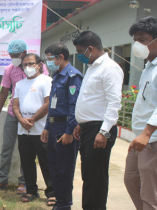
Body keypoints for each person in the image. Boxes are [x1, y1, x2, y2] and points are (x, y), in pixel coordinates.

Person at [72, 31, 123, 210]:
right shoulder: (93, 67)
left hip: (99, 129)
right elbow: (92, 100)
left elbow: (114, 102)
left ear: (90, 49)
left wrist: (104, 131)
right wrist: (81, 123)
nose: (79, 55)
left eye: (80, 51)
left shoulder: (110, 68)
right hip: (88, 128)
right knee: (88, 175)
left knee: (97, 177)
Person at [42, 44, 83, 210]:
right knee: (54, 166)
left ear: (60, 57)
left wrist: (69, 131)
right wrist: (46, 126)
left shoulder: (73, 76)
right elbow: (53, 105)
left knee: (65, 169)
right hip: (53, 126)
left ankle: (65, 204)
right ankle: (59, 201)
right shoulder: (57, 76)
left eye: (50, 58)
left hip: (65, 127)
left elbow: (75, 106)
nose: (48, 62)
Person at [125, 16, 157, 210]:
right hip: (140, 138)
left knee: (150, 192)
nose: (138, 44)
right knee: (131, 180)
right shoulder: (149, 66)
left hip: (151, 139)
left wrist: (146, 133)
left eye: (143, 39)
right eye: (135, 40)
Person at [0, 39, 27, 194]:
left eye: (16, 55)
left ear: (24, 53)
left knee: (26, 149)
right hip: (12, 113)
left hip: (31, 115)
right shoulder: (10, 69)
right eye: (11, 55)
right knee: (7, 147)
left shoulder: (39, 68)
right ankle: (2, 180)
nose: (13, 58)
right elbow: (4, 91)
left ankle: (24, 182)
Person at [12, 53, 53, 202]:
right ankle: (31, 190)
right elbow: (15, 105)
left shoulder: (46, 81)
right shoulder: (20, 84)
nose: (28, 67)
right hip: (23, 131)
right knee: (27, 162)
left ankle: (52, 193)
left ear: (39, 64)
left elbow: (48, 104)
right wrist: (22, 120)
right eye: (25, 64)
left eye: (31, 63)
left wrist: (33, 119)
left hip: (41, 130)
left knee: (46, 162)